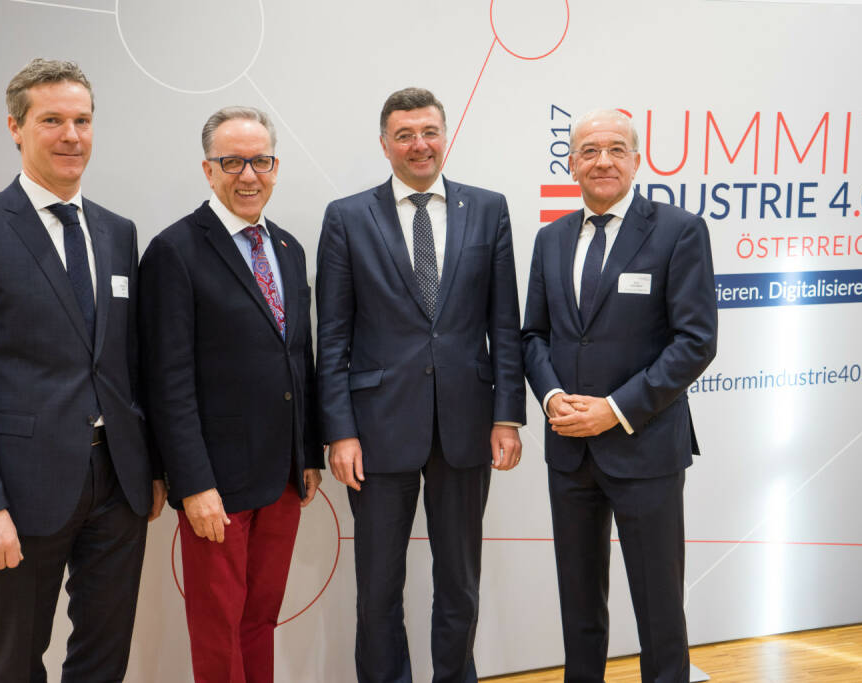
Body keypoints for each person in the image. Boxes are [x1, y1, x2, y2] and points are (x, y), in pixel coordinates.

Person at [0, 58, 165, 682]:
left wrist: (150, 469)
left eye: (82, 120)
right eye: (52, 120)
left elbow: (128, 363)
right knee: (15, 662)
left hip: (118, 486)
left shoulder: (117, 232)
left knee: (104, 659)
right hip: (20, 493)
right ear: (15, 127)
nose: (71, 136)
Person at [316, 87, 525, 683]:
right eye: (404, 135)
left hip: (467, 425)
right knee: (378, 585)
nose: (419, 145)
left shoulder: (488, 209)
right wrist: (339, 431)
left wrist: (507, 415)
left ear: (445, 136)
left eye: (429, 132)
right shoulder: (347, 217)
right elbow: (333, 335)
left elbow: (503, 323)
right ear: (385, 144)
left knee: (460, 580)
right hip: (376, 431)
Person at [521, 109, 718, 683]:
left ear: (635, 160)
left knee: (659, 607)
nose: (602, 161)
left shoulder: (679, 230)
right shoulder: (551, 238)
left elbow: (696, 341)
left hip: (646, 447)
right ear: (571, 164)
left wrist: (615, 409)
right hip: (570, 451)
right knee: (579, 602)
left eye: (614, 149)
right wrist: (551, 396)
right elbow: (533, 336)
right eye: (589, 150)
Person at [138, 106, 323, 683]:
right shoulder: (174, 251)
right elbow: (167, 381)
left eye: (260, 161)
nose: (248, 175)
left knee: (260, 618)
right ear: (208, 169)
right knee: (218, 626)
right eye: (233, 162)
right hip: (216, 483)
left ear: (275, 167)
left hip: (283, 477)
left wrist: (308, 451)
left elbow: (299, 358)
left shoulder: (287, 248)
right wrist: (193, 483)